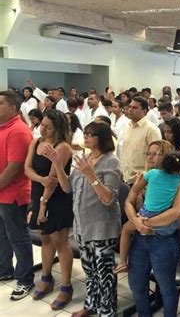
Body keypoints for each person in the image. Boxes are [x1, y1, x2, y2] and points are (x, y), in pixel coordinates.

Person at [44, 121, 122, 316]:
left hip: (102, 227)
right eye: (85, 133)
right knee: (90, 271)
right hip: (82, 225)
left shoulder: (111, 161)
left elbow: (108, 198)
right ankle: (91, 305)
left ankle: (107, 311)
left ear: (101, 139)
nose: (85, 136)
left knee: (105, 274)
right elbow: (67, 188)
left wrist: (90, 173)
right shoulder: (84, 158)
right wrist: (57, 163)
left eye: (90, 134)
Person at [124, 144, 180, 317]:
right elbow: (128, 202)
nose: (150, 157)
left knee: (166, 287)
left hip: (163, 241)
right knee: (136, 285)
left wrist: (147, 222)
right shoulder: (147, 177)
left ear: (166, 158)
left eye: (156, 154)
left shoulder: (176, 180)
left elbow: (177, 211)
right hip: (140, 238)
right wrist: (136, 221)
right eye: (148, 153)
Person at [114, 151, 180, 274]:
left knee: (126, 229)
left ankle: (121, 262)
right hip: (165, 216)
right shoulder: (178, 179)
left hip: (145, 215)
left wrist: (138, 182)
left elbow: (136, 189)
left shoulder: (151, 174)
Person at [24, 109, 75, 309]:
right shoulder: (36, 142)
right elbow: (27, 168)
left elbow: (53, 181)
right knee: (45, 237)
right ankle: (46, 278)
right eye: (42, 125)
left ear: (58, 128)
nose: (42, 129)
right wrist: (40, 179)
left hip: (56, 199)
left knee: (59, 240)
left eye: (48, 127)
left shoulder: (62, 147)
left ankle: (67, 287)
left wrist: (43, 204)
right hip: (39, 194)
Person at [0, 91, 35, 301]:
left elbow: (14, 168)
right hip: (2, 193)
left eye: (0, 103)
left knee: (18, 238)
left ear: (13, 108)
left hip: (13, 195)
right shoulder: (3, 128)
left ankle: (25, 279)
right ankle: (4, 269)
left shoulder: (19, 131)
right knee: (2, 236)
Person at [121, 96, 161, 185]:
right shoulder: (127, 127)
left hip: (142, 182)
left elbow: (157, 159)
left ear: (144, 111)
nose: (130, 110)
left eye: (134, 108)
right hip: (126, 179)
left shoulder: (151, 130)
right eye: (130, 107)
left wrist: (144, 185)